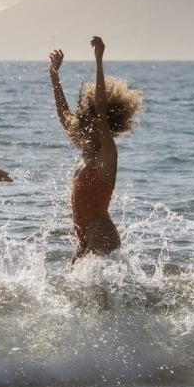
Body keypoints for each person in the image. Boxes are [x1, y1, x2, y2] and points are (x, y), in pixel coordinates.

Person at [49, 36, 142, 262]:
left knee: (104, 296)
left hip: (101, 233)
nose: (88, 126)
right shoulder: (86, 151)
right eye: (86, 121)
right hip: (84, 238)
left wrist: (99, 60)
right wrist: (54, 76)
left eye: (94, 123)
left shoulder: (107, 154)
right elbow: (64, 116)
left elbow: (101, 109)